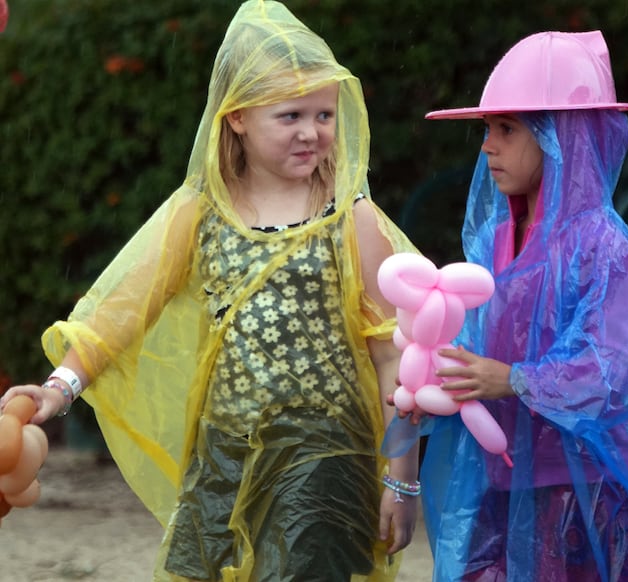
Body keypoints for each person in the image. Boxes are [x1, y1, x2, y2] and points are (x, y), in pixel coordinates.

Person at [0, 2, 420, 580]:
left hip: (326, 453)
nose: (312, 132)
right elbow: (124, 312)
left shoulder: (352, 219)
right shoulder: (200, 215)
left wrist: (401, 479)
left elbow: (392, 354)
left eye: (325, 114)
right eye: (290, 114)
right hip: (224, 452)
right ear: (238, 117)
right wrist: (60, 388)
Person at [410, 31, 628, 581]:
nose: (487, 147)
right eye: (487, 129)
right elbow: (475, 343)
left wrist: (515, 379)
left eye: (506, 129)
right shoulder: (493, 240)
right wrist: (440, 380)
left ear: (561, 137)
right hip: (504, 480)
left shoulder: (601, 247)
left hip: (582, 488)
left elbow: (611, 367)